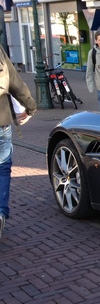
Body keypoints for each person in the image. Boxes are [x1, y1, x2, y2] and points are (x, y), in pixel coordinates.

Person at [0, 46, 37, 238]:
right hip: (1, 119)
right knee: (3, 168)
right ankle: (0, 213)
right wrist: (30, 106)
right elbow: (14, 81)